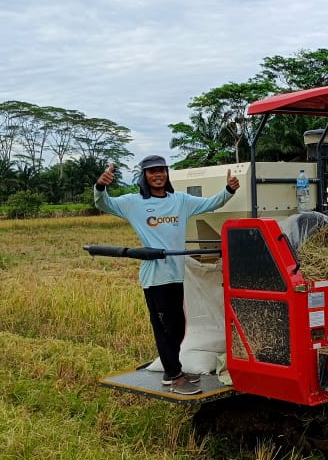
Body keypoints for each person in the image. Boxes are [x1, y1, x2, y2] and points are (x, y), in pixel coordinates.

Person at [95, 155, 240, 395]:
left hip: (176, 275)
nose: (158, 175)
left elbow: (210, 204)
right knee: (164, 328)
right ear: (144, 176)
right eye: (152, 171)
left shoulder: (180, 201)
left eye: (161, 170)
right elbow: (103, 203)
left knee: (179, 327)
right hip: (155, 278)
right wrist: (101, 186)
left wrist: (229, 190)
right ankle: (173, 375)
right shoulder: (134, 202)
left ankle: (172, 372)